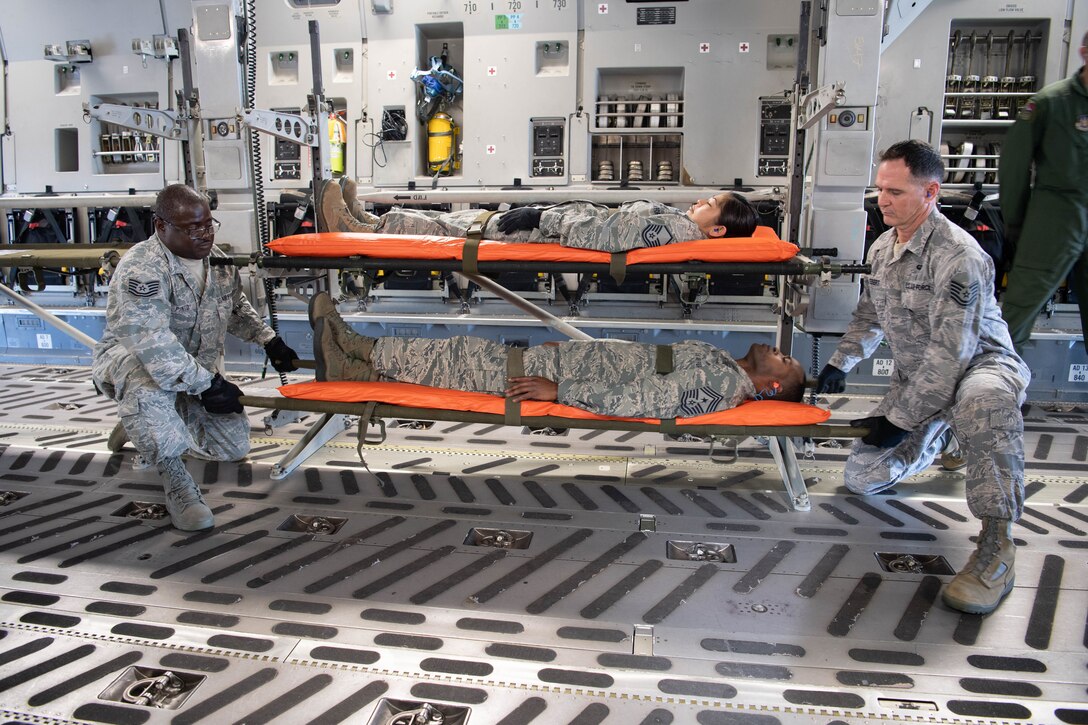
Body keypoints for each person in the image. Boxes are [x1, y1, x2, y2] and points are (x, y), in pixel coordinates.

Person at [815, 140, 1030, 615]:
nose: (882, 200)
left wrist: (901, 417)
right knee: (863, 477)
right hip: (921, 378)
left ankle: (997, 547)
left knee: (983, 403)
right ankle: (948, 437)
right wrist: (840, 363)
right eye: (879, 190)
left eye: (894, 191)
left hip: (979, 368)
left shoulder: (959, 256)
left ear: (930, 192)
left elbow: (953, 355)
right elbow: (870, 315)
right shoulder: (884, 247)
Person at [92, 184, 299, 531]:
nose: (204, 234)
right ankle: (176, 481)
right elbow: (153, 345)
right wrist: (210, 384)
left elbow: (234, 307)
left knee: (232, 448)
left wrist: (269, 340)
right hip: (136, 364)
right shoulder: (142, 269)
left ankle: (141, 423)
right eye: (192, 228)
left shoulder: (215, 261)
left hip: (192, 371)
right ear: (161, 226)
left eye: (208, 224)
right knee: (147, 385)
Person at [308, 292, 805, 418]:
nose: (776, 350)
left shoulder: (721, 387)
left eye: (783, 360)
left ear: (772, 387)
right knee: (451, 358)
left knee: (450, 355)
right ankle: (347, 362)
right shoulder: (724, 368)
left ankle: (354, 345)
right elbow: (644, 364)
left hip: (552, 379)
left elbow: (643, 400)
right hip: (562, 363)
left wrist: (560, 390)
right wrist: (571, 356)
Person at [317, 176, 759, 252]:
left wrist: (539, 217)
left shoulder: (672, 230)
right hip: (551, 225)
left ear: (717, 229)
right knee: (461, 222)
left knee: (445, 229)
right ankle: (365, 221)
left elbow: (605, 236)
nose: (701, 200)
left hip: (546, 234)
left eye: (711, 205)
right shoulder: (678, 227)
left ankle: (355, 228)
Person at [999, 30, 1088, 354]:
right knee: (1015, 319)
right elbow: (1014, 165)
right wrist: (1016, 221)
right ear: (1083, 52)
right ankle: (997, 396)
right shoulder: (1050, 103)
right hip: (1055, 219)